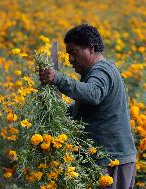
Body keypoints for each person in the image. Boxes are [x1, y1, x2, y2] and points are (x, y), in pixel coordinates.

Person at [39, 24, 136, 189]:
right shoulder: (94, 73)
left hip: (112, 161)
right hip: (107, 158)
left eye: (73, 53)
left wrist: (58, 79)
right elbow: (87, 108)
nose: (70, 59)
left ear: (91, 48)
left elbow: (93, 94)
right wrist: (55, 111)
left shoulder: (101, 71)